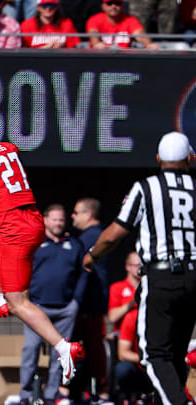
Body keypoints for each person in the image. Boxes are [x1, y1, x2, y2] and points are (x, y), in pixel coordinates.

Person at [0, 114, 84, 386]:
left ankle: (63, 347)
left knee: (19, 302)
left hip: (14, 229)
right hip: (32, 221)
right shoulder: (8, 149)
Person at [83, 131, 196, 405]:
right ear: (189, 158)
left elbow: (114, 234)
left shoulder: (146, 187)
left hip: (161, 276)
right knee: (175, 354)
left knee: (154, 354)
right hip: (194, 277)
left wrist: (92, 255)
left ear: (158, 159)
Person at [19, 204, 85, 405]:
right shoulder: (35, 243)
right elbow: (22, 269)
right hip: (37, 308)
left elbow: (84, 273)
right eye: (54, 219)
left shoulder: (74, 245)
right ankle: (26, 395)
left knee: (61, 354)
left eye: (61, 220)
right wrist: (24, 300)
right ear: (45, 220)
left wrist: (76, 301)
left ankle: (51, 396)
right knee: (31, 349)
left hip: (66, 309)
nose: (58, 223)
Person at [70, 197, 110, 403]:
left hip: (88, 302)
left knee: (92, 347)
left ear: (88, 214)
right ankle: (86, 390)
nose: (72, 217)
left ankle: (101, 391)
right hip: (91, 302)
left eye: (76, 212)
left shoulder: (90, 237)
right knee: (89, 349)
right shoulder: (96, 235)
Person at [114, 309, 152, 403]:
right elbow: (122, 353)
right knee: (122, 369)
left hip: (161, 366)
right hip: (140, 367)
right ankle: (128, 397)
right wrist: (148, 359)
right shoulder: (133, 317)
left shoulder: (164, 316)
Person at [85, 0, 159, 49]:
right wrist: (97, 44)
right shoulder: (94, 20)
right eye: (109, 3)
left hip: (125, 60)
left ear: (123, 5)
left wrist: (148, 44)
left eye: (117, 3)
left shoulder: (130, 20)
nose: (113, 6)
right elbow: (93, 33)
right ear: (103, 6)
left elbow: (140, 34)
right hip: (101, 58)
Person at [107, 252, 141, 333]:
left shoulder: (148, 286)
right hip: (123, 334)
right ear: (127, 266)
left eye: (141, 265)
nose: (139, 269)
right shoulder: (117, 287)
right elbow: (112, 317)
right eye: (136, 265)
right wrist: (134, 300)